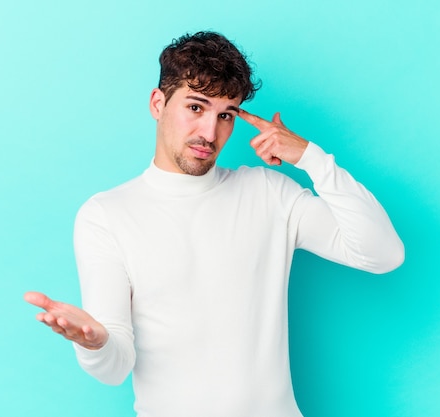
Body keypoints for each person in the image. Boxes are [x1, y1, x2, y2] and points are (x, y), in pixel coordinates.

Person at [25, 31, 404, 417]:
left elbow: (382, 254)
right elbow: (114, 367)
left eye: (225, 115)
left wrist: (312, 159)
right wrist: (95, 342)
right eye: (195, 107)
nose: (210, 133)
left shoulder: (269, 194)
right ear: (158, 103)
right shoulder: (106, 214)